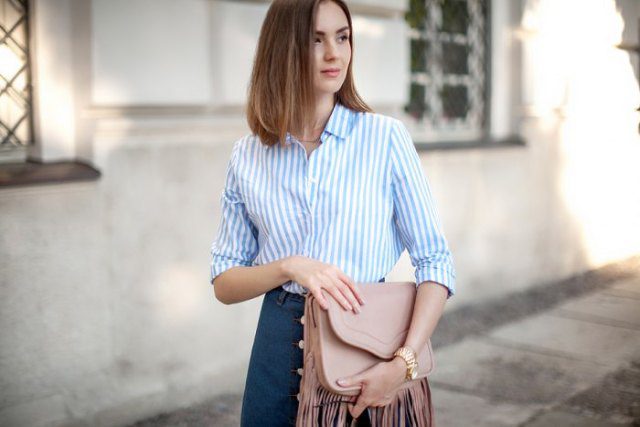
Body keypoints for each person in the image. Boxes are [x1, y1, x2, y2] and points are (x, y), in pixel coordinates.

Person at [209, 0, 456, 425]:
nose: (334, 54)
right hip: (275, 349)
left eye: (342, 37)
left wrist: (402, 365)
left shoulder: (385, 139)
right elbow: (224, 282)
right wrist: (289, 265)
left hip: (365, 350)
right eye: (315, 40)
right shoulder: (248, 155)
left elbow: (436, 263)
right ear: (282, 50)